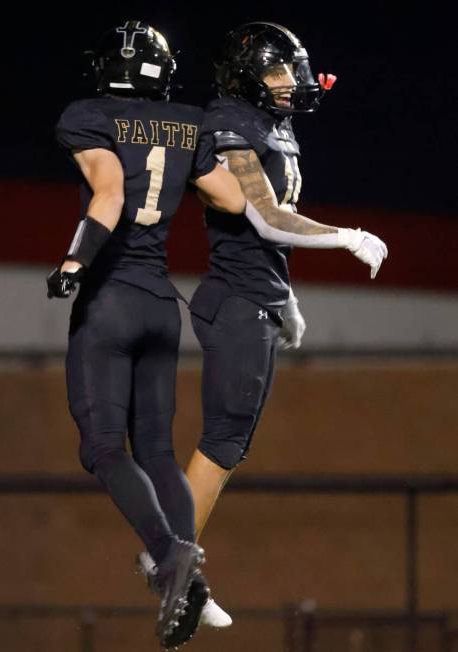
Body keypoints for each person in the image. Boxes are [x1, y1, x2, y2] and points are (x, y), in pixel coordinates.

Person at [139, 21, 388, 628]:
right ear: (247, 75)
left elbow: (268, 238)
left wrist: (287, 296)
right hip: (236, 300)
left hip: (255, 295)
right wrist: (348, 236)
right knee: (222, 443)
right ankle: (168, 559)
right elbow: (268, 217)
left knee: (231, 444)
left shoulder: (270, 125)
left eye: (289, 71)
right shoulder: (230, 124)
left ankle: (171, 556)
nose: (288, 83)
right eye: (275, 72)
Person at [46, 20, 247, 648]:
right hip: (164, 304)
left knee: (104, 448)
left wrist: (75, 262)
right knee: (158, 450)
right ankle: (195, 585)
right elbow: (236, 201)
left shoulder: (88, 114)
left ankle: (170, 560)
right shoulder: (188, 121)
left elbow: (108, 193)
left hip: (112, 302)